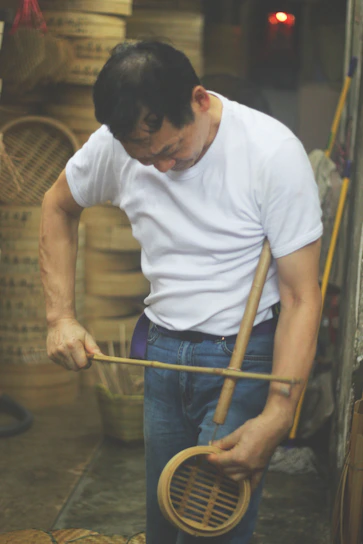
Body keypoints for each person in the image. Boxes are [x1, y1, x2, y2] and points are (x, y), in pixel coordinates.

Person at [39, 40, 323, 544]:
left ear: (198, 99)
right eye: (144, 158)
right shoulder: (115, 147)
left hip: (243, 355)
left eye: (170, 150)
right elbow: (58, 205)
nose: (162, 169)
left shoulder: (271, 153)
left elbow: (302, 297)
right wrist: (59, 316)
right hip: (163, 353)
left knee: (209, 526)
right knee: (164, 521)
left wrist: (279, 414)